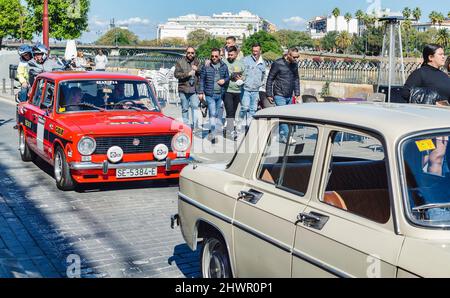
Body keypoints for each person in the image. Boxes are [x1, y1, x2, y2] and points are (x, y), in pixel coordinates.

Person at [266, 47, 301, 143]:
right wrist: (269, 94)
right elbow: (270, 79)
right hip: (279, 94)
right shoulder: (278, 63)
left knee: (286, 116)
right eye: (294, 57)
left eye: (297, 57)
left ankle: (282, 136)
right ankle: (287, 135)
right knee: (284, 116)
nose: (296, 59)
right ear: (288, 55)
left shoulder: (294, 65)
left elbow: (296, 79)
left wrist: (297, 93)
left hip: (289, 94)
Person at [198, 48, 230, 144]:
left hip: (220, 94)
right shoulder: (206, 66)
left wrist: (224, 80)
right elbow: (202, 80)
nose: (214, 58)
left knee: (216, 114)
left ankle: (213, 130)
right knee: (212, 113)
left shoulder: (224, 66)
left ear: (220, 56)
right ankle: (213, 134)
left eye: (216, 56)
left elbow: (228, 77)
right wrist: (200, 92)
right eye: (212, 56)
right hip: (209, 94)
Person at [240, 43, 266, 131]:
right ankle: (239, 123)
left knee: (253, 109)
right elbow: (240, 72)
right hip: (246, 89)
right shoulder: (245, 60)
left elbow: (263, 76)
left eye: (256, 51)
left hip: (256, 90)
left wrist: (261, 85)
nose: (255, 53)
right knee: (244, 107)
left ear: (260, 51)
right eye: (253, 51)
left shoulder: (263, 63)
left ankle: (249, 126)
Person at [174, 47, 201, 132]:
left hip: (194, 89)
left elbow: (203, 73)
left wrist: (198, 70)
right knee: (185, 109)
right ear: (186, 53)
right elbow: (176, 74)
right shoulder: (180, 62)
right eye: (189, 52)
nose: (190, 54)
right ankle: (186, 127)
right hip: (183, 88)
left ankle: (195, 126)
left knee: (195, 107)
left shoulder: (198, 62)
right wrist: (187, 74)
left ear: (194, 53)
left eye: (192, 53)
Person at [223, 46, 244, 141]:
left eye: (232, 54)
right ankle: (231, 132)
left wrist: (241, 79)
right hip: (227, 90)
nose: (230, 56)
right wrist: (230, 76)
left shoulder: (240, 64)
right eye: (229, 54)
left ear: (236, 54)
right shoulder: (224, 62)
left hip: (237, 91)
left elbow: (245, 74)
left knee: (232, 112)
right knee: (230, 111)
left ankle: (227, 128)